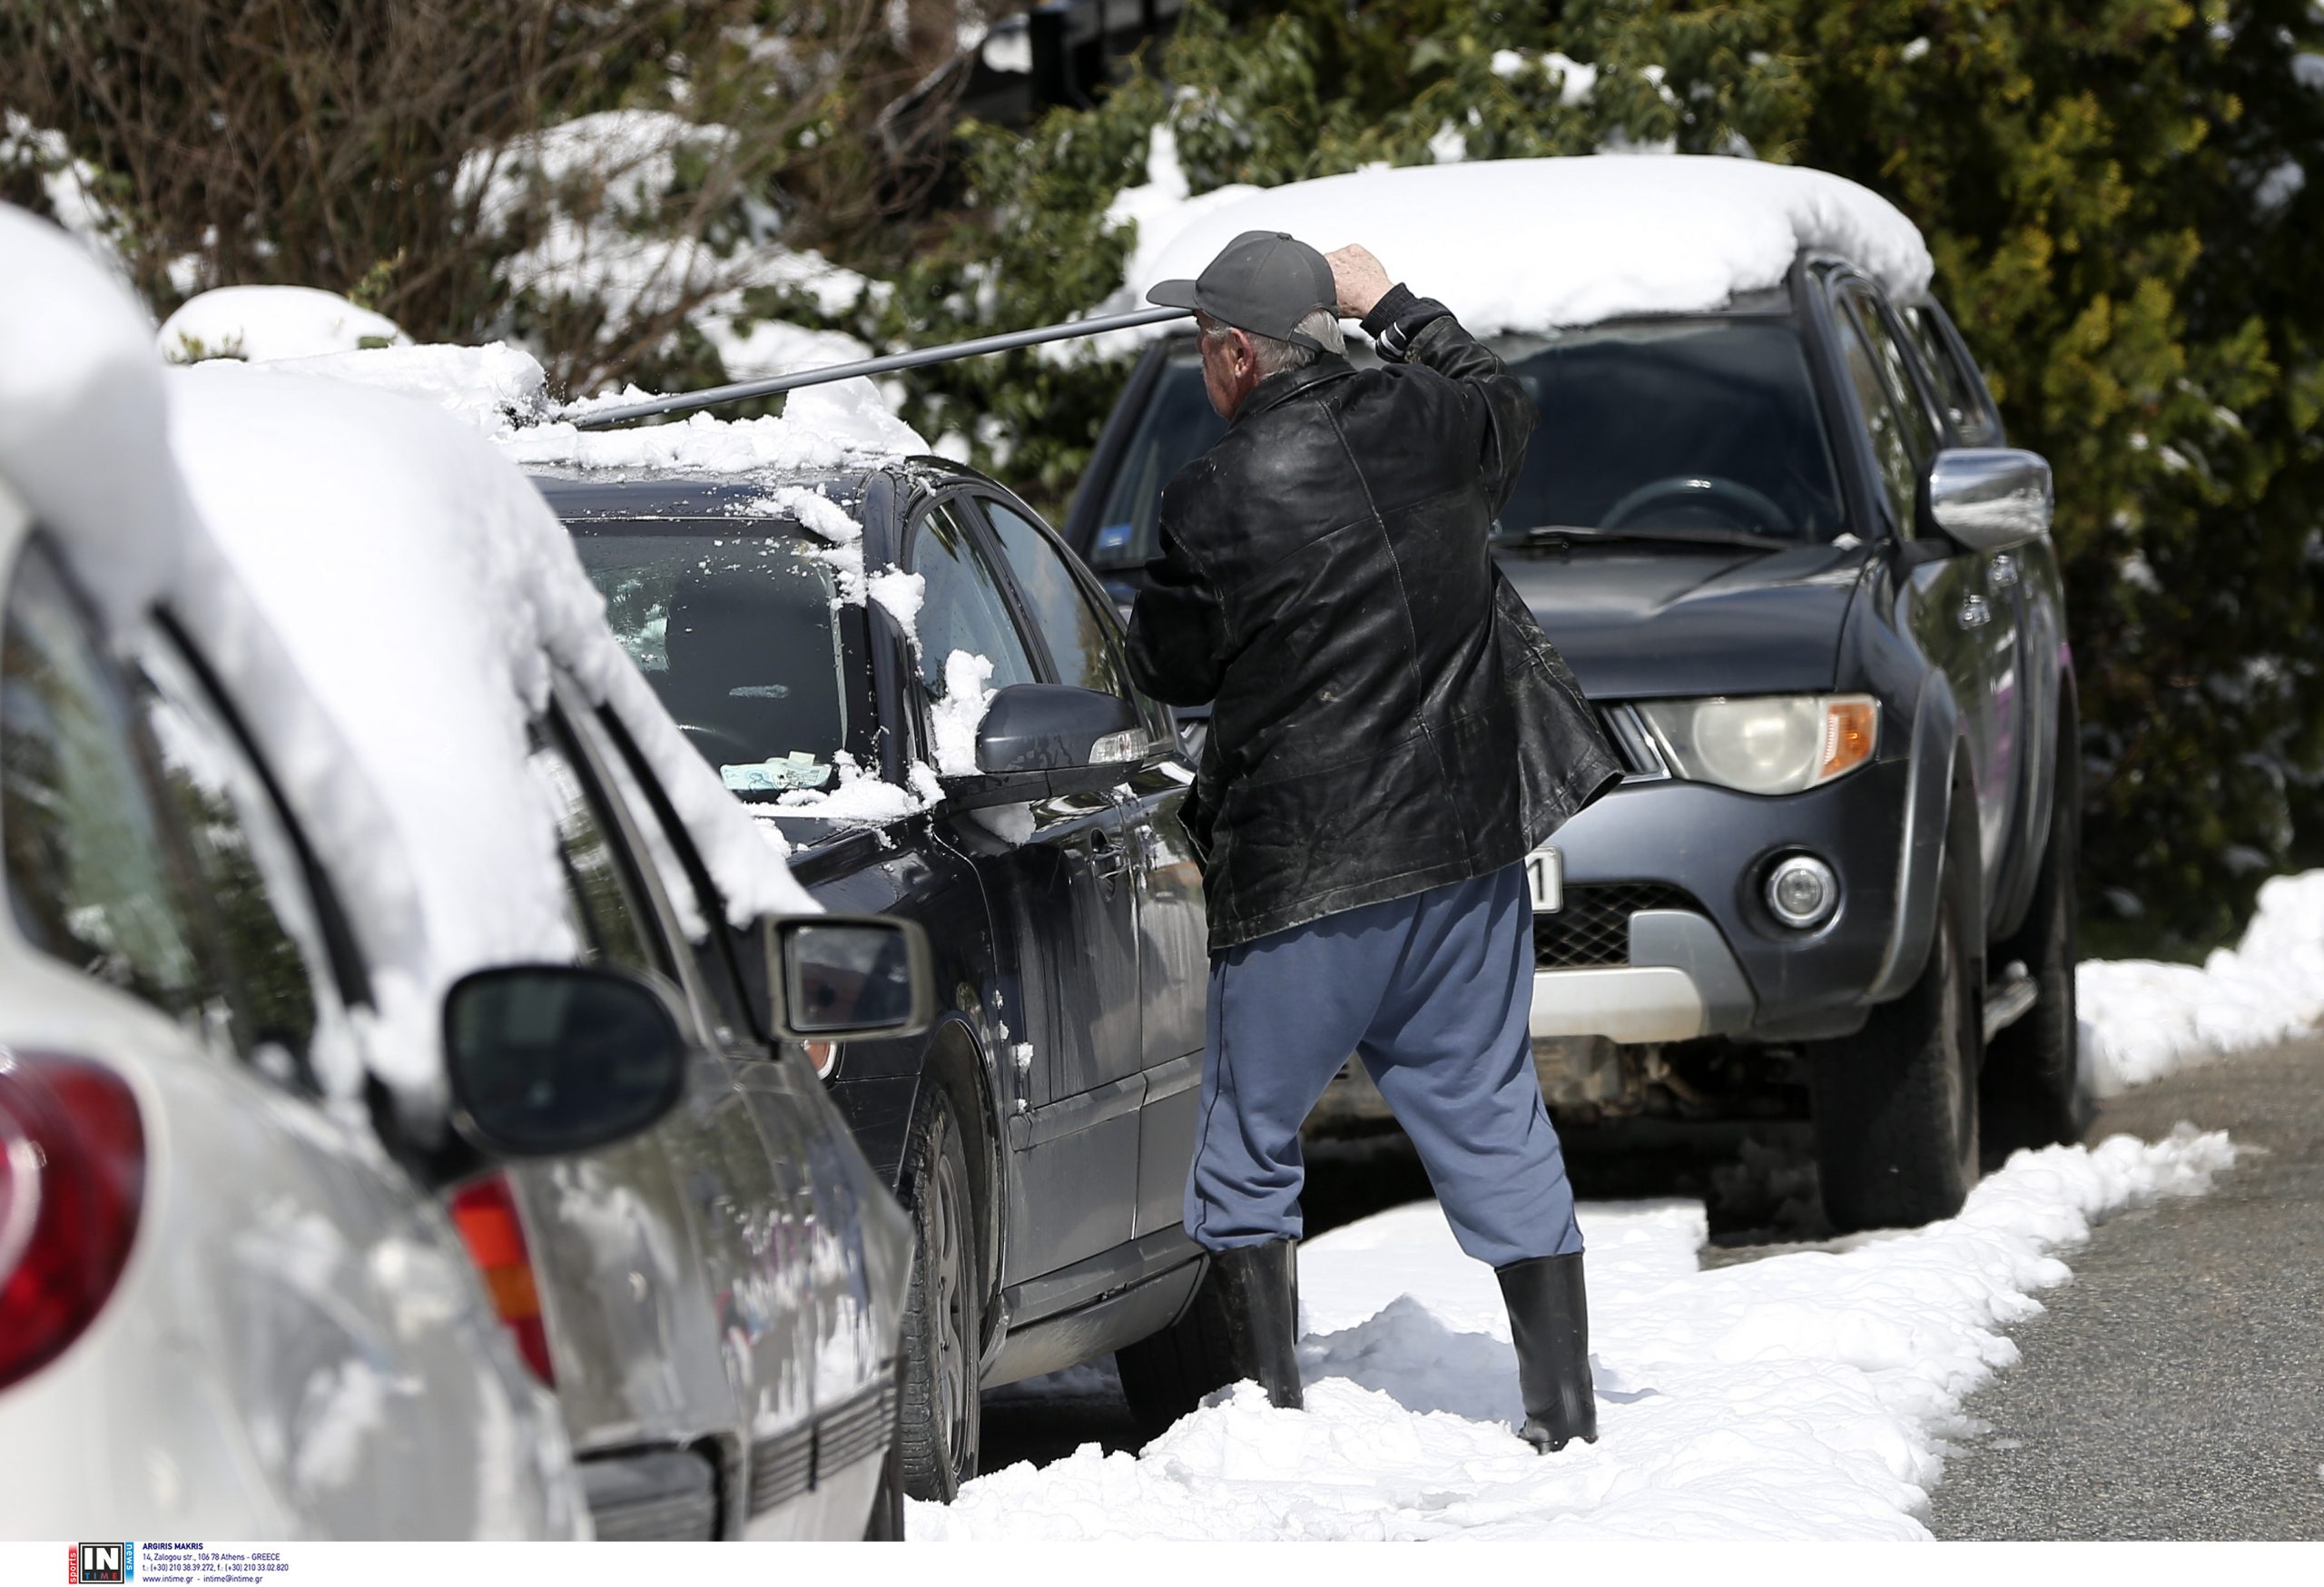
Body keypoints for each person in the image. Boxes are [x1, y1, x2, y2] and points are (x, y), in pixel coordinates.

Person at [1125, 231, 1622, 1453]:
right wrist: (1389, 298)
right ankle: (1564, 1419)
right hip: (1465, 861)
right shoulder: (1438, 429)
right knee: (1496, 1115)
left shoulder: (1206, 504)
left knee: (1248, 1141)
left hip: (1307, 883)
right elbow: (1499, 392)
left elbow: (1167, 665)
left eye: (1202, 347)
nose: (1202, 368)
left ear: (1239, 355)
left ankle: (1274, 1424)